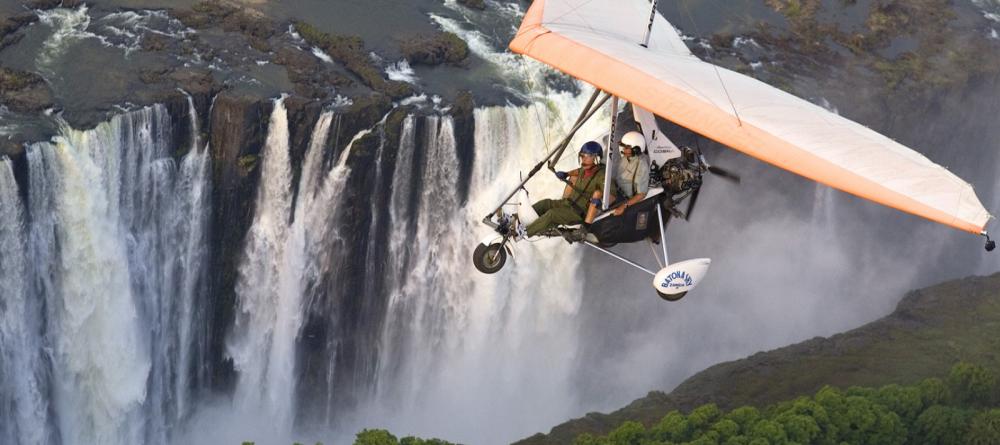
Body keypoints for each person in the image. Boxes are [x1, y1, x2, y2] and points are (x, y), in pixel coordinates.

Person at [525, 141, 607, 238]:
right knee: (545, 203)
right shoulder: (585, 169)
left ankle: (525, 232)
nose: (583, 159)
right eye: (582, 156)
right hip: (568, 203)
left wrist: (600, 200)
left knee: (552, 214)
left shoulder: (602, 176)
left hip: (577, 213)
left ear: (596, 158)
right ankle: (515, 219)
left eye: (586, 156)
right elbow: (577, 171)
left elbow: (611, 195)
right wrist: (566, 174)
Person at [612, 131, 650, 216]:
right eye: (623, 147)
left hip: (624, 198)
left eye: (626, 147)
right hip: (616, 190)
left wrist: (624, 206)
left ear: (636, 149)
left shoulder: (641, 165)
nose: (623, 150)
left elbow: (641, 194)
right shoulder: (625, 158)